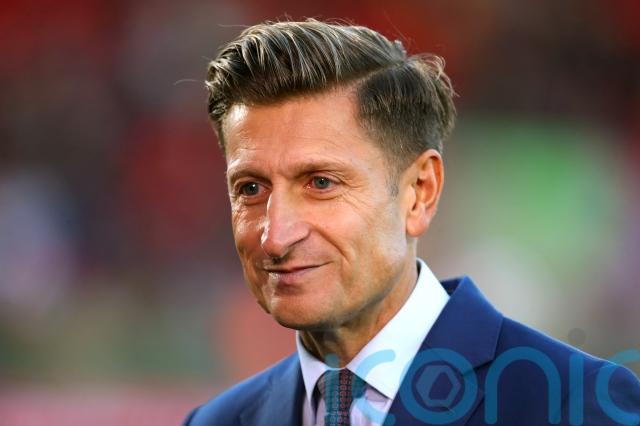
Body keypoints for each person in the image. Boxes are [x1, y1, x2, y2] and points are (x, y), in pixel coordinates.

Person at [184, 19, 640, 426]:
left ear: (421, 192)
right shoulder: (214, 422)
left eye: (321, 183)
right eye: (250, 188)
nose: (276, 236)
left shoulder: (576, 405)